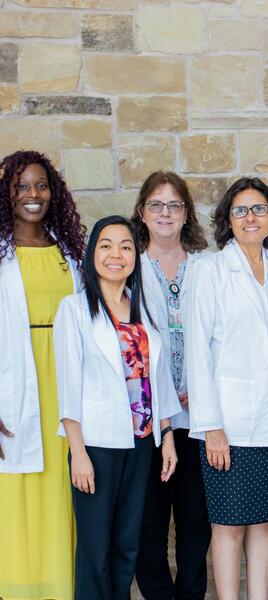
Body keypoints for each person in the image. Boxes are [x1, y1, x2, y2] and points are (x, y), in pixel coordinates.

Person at [185, 177, 268, 600]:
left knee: (263, 522)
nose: (250, 217)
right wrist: (211, 426)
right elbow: (197, 355)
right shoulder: (208, 270)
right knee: (227, 524)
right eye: (240, 210)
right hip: (229, 424)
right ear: (227, 218)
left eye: (259, 209)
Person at [53, 215, 180, 600]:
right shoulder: (74, 310)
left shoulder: (142, 308)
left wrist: (168, 435)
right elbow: (68, 386)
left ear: (134, 257)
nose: (116, 254)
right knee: (95, 548)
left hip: (141, 443)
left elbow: (155, 378)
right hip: (96, 445)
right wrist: (79, 454)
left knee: (128, 544)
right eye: (106, 245)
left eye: (126, 246)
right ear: (93, 254)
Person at [0, 150, 86, 600]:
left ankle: (59, 589)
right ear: (6, 193)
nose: (32, 195)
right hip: (12, 387)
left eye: (41, 186)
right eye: (21, 186)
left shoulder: (69, 252)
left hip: (65, 386)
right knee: (15, 497)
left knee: (61, 494)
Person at [132, 171, 212, 600]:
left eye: (174, 205)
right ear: (142, 212)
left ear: (186, 214)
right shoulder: (129, 266)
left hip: (198, 416)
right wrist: (162, 392)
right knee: (150, 522)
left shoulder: (207, 267)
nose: (165, 213)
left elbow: (222, 337)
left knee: (196, 522)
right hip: (149, 418)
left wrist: (199, 387)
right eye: (156, 204)